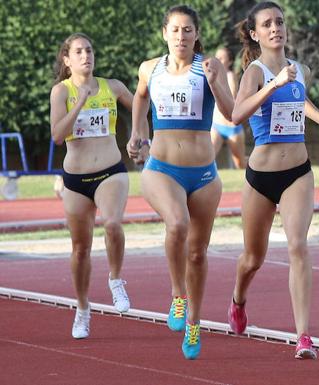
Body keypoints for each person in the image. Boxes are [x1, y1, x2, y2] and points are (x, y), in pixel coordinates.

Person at [226, 1, 319, 360]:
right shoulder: (255, 72)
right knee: (253, 258)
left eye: (280, 21)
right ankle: (238, 300)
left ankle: (303, 335)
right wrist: (273, 84)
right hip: (261, 177)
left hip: (298, 172)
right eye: (267, 24)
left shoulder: (299, 69)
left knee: (298, 246)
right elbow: (236, 114)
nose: (276, 28)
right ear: (255, 33)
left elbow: (299, 101)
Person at [128, 5, 233, 360]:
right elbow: (140, 97)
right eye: (175, 30)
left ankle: (194, 321)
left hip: (204, 175)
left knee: (198, 254)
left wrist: (216, 81)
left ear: (197, 34)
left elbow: (232, 113)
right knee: (177, 224)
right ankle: (177, 294)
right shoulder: (149, 68)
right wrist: (137, 133)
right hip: (161, 169)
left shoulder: (209, 67)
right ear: (164, 33)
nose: (181, 37)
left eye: (188, 30)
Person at [49, 32, 134, 339]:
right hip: (75, 180)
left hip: (110, 171)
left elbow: (140, 102)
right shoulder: (62, 92)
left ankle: (115, 279)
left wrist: (141, 135)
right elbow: (58, 135)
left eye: (89, 50)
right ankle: (83, 309)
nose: (86, 56)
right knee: (80, 249)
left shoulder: (111, 87)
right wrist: (80, 102)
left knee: (112, 224)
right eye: (79, 52)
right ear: (67, 59)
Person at [211, 46, 247, 169]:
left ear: (229, 62)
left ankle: (257, 168)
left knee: (240, 163)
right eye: (217, 57)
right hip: (217, 126)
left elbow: (230, 99)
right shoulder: (210, 76)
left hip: (232, 128)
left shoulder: (230, 76)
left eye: (222, 58)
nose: (218, 60)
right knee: (208, 158)